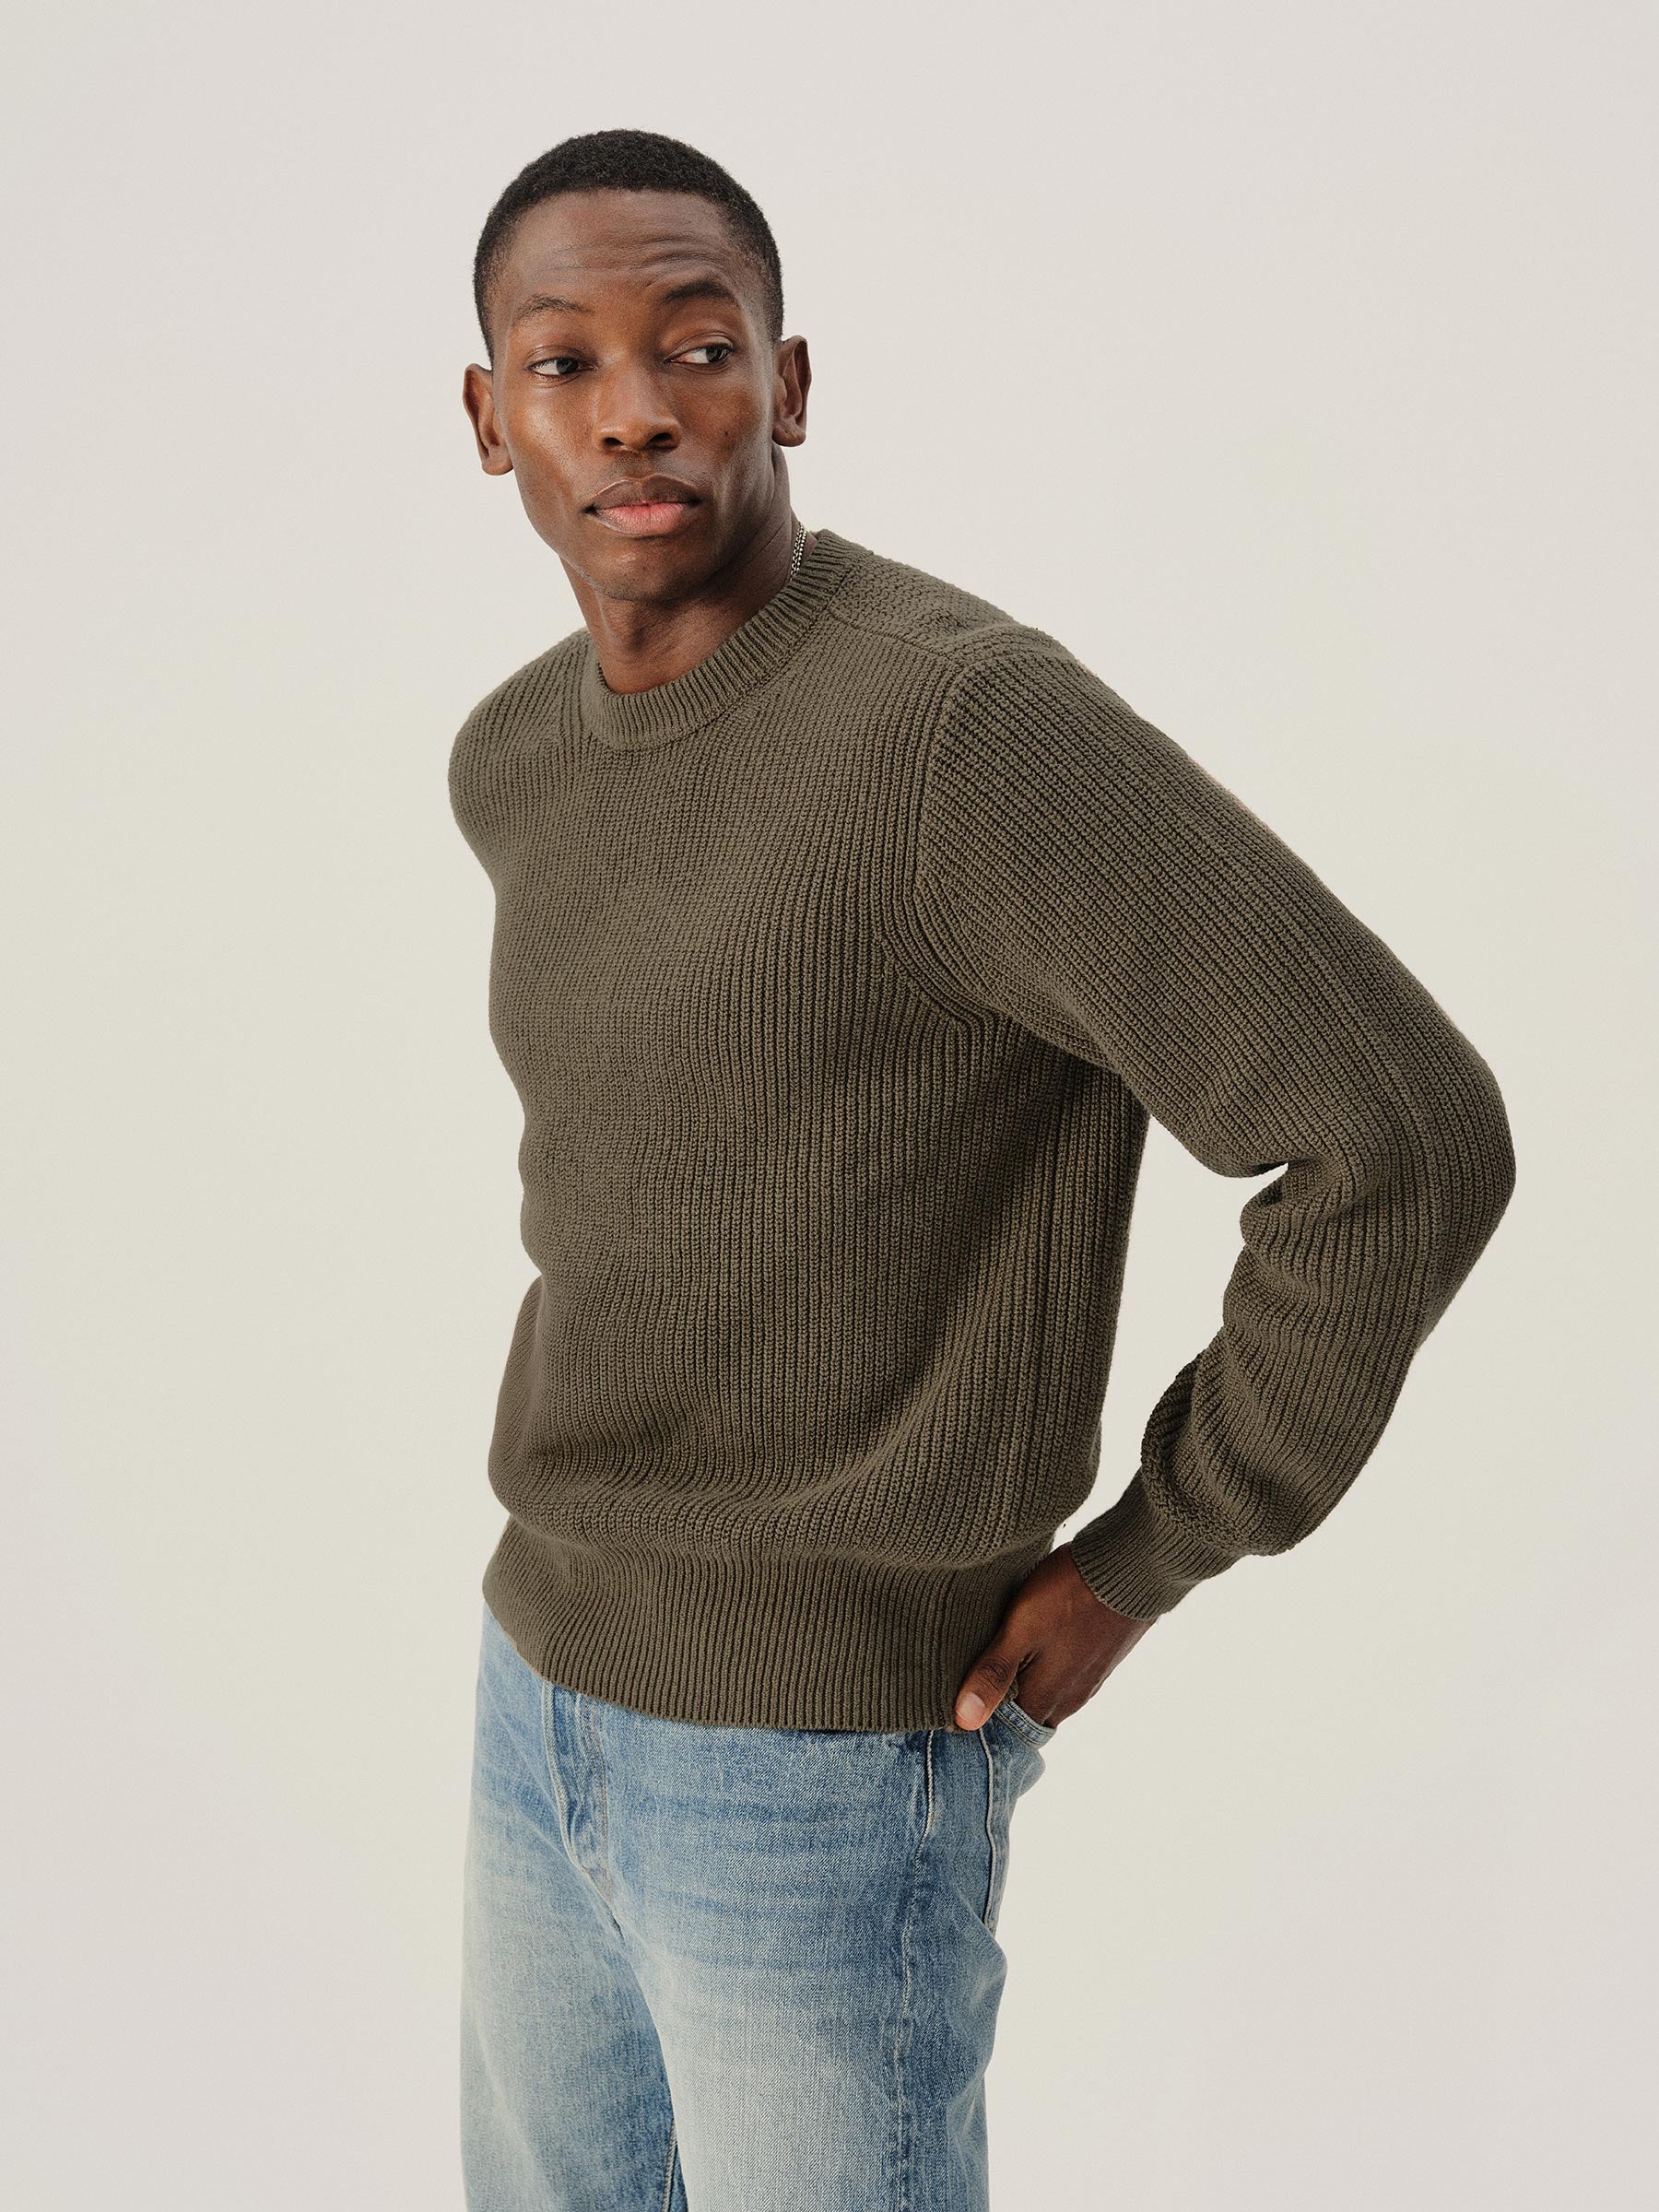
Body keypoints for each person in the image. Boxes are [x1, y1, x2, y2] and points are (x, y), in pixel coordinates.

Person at [448, 126, 1515, 2212]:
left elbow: (1399, 1130)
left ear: (790, 386)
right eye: (565, 363)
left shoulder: (957, 735)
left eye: (699, 346)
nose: (636, 408)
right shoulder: (515, 756)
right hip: (533, 1688)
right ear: (490, 421)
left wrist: (1155, 1551)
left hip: (823, 1769)